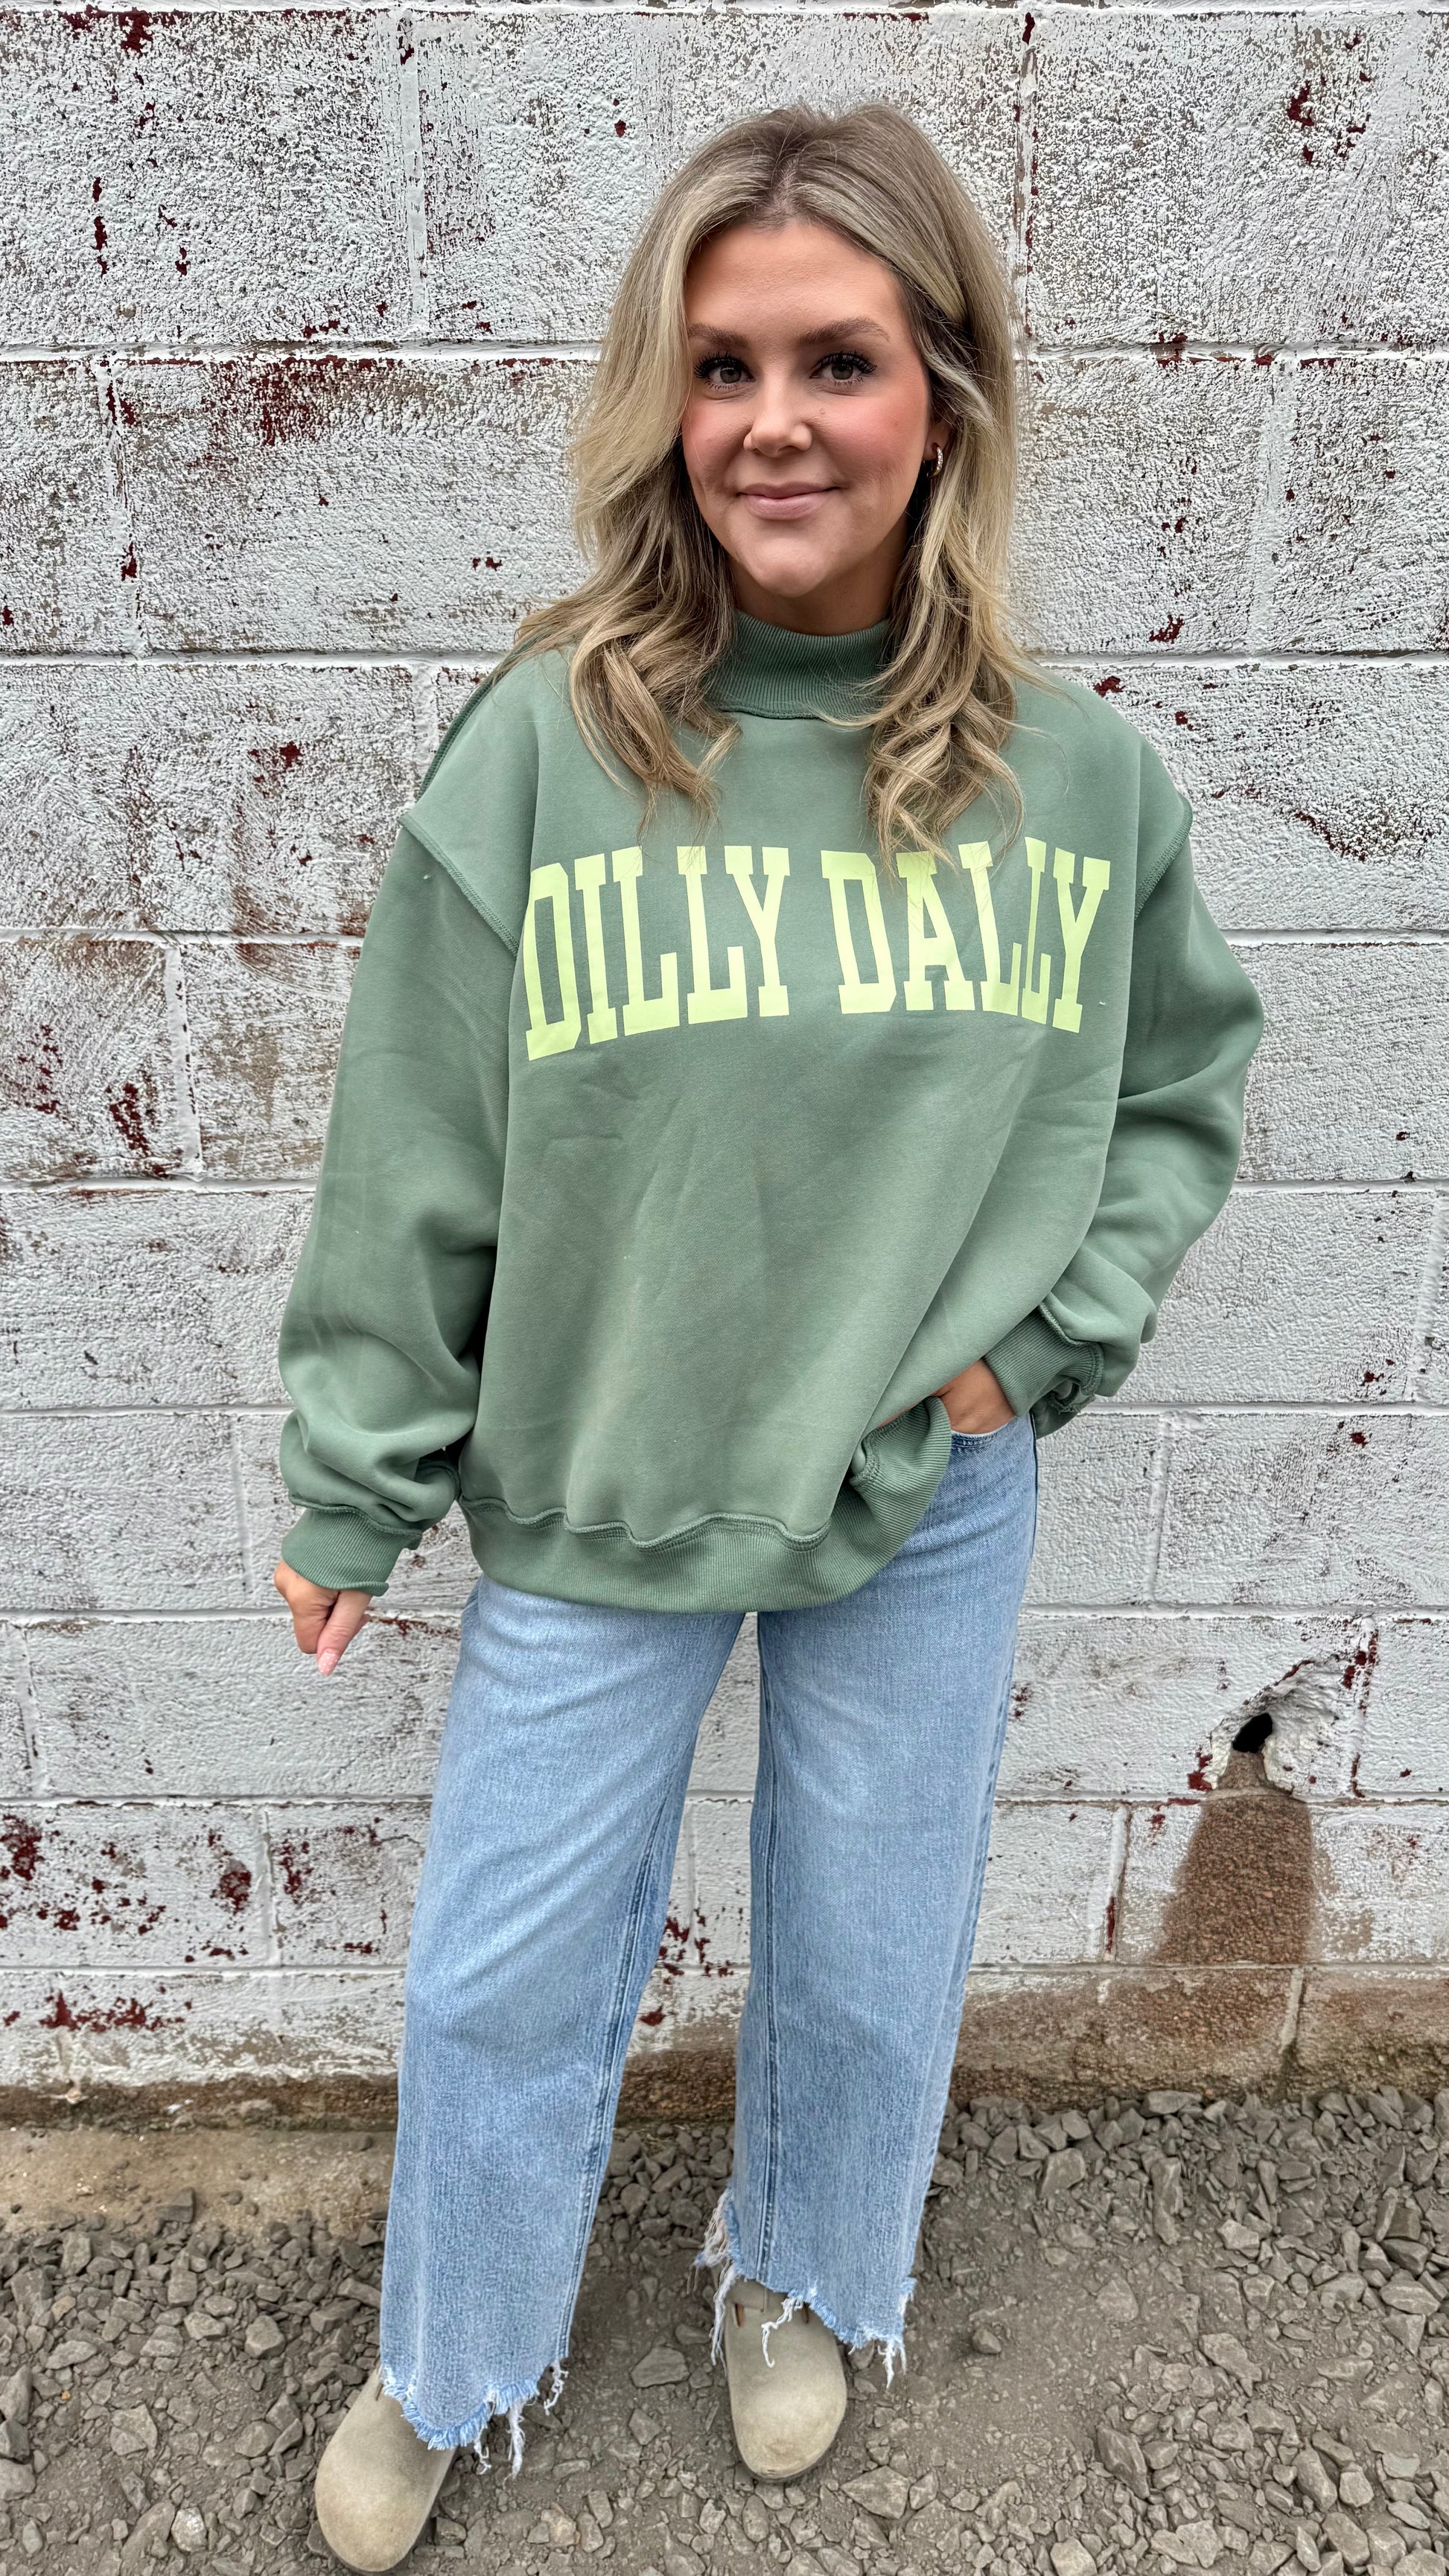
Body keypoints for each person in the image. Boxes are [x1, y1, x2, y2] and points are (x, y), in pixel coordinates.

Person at [272, 102, 1264, 2572]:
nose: (774, 422)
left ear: (941, 393)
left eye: (836, 359)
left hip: (921, 1480)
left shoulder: (1075, 783)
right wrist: (356, 1475)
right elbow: (416, 1134)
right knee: (502, 1967)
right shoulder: (546, 748)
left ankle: (804, 2274)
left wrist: (1027, 1352)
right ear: (664, 399)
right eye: (720, 366)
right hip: (602, 1466)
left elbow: (1178, 1090)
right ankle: (454, 2351)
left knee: (867, 1936)